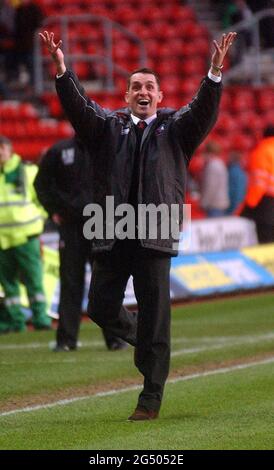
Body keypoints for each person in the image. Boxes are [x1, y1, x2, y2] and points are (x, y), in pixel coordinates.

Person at [39, 29, 236, 420]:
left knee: (157, 317)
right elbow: (80, 108)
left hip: (155, 231)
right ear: (126, 96)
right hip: (111, 231)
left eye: (150, 86)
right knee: (99, 306)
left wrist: (213, 73)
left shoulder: (177, 129)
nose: (143, 91)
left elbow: (202, 110)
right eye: (136, 87)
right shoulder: (107, 127)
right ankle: (139, 334)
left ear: (160, 97)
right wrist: (63, 72)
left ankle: (150, 398)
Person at [34, 136, 127, 352]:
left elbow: (124, 181)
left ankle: (115, 338)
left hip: (102, 225)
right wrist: (53, 210)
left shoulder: (108, 150)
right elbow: (41, 184)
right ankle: (66, 341)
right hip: (71, 226)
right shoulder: (59, 151)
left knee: (106, 282)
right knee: (71, 283)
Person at [0, 135, 51, 333]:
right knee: (8, 285)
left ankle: (40, 319)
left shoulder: (28, 172)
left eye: (2, 148)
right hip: (2, 240)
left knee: (34, 282)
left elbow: (43, 199)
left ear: (9, 149)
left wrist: (38, 220)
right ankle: (16, 322)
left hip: (26, 236)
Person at [241, 125, 274, 243]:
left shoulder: (262, 152)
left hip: (267, 207)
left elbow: (258, 183)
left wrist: (249, 205)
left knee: (267, 246)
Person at [200, 141, 229, 217]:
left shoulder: (212, 166)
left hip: (214, 205)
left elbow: (210, 186)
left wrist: (203, 203)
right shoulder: (220, 163)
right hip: (219, 203)